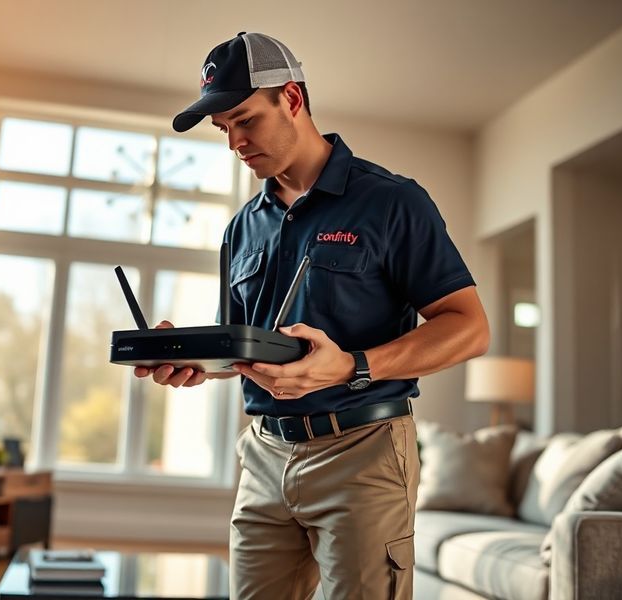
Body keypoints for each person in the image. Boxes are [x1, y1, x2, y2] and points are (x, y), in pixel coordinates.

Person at [135, 32, 490, 599]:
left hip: (363, 452)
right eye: (223, 129)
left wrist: (352, 365)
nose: (235, 143)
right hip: (262, 455)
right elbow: (243, 348)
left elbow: (469, 327)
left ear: (292, 99)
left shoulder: (392, 202)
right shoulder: (242, 227)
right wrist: (194, 358)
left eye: (245, 120)